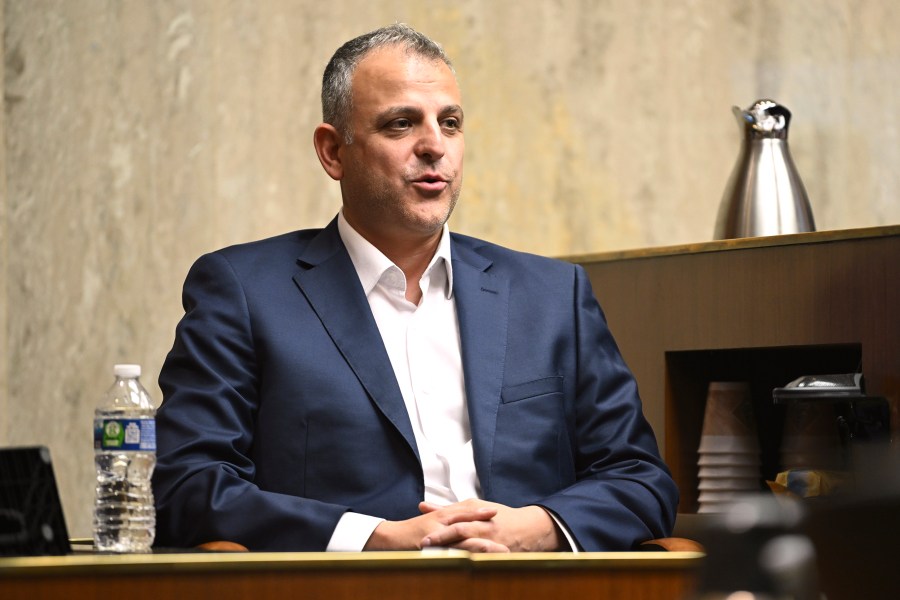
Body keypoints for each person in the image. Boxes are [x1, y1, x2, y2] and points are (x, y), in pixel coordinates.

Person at [152, 23, 678, 553]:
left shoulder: (551, 294)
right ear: (333, 152)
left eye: (450, 123)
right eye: (401, 124)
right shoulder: (244, 291)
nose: (434, 147)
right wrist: (372, 537)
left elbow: (640, 479)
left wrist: (539, 528)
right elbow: (190, 485)